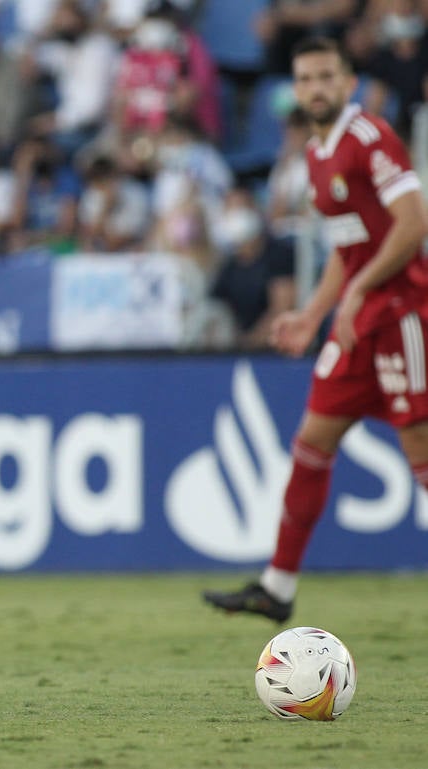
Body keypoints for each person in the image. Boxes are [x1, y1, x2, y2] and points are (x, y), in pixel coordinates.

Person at [203, 37, 428, 621]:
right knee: (311, 445)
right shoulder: (316, 153)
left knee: (421, 450)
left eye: (326, 76)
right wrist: (310, 311)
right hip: (355, 323)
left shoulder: (370, 139)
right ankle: (277, 587)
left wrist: (357, 291)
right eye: (305, 79)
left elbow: (413, 225)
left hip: (403, 312)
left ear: (348, 82)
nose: (316, 88)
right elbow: (344, 248)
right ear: (295, 90)